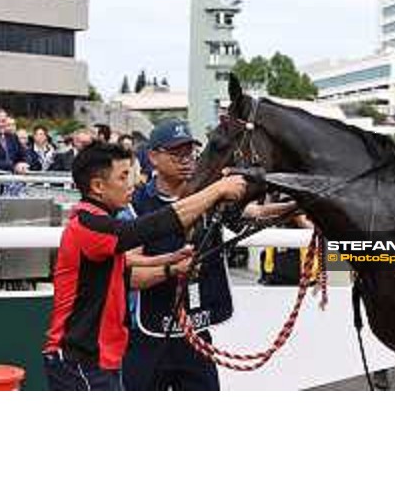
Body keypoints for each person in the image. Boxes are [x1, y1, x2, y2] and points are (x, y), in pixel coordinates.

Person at [42, 141, 247, 391]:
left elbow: (122, 272)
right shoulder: (90, 224)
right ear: (97, 186)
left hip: (98, 359)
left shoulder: (96, 221)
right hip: (81, 360)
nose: (132, 182)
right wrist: (217, 190)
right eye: (123, 176)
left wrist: (170, 264)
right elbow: (151, 227)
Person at [123, 119, 293, 391]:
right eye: (176, 153)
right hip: (148, 336)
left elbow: (256, 214)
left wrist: (302, 204)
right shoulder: (135, 206)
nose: (186, 160)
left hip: (196, 336)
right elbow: (130, 275)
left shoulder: (211, 197)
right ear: (153, 156)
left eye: (190, 152)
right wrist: (172, 269)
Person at [0, 108, 29, 174]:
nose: (1, 124)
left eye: (3, 121)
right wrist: (13, 166)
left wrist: (22, 164)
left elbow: (23, 155)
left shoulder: (13, 137)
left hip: (14, 179)